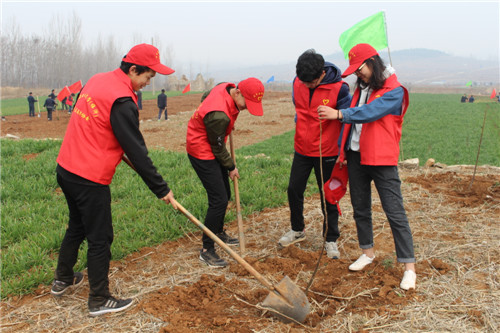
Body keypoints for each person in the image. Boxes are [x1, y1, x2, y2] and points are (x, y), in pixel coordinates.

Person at [52, 43, 178, 316]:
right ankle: (99, 299)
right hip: (89, 177)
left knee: (77, 226)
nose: (147, 82)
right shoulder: (123, 100)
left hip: (66, 167)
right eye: (147, 76)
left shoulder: (98, 79)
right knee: (100, 238)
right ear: (133, 69)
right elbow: (137, 151)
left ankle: (62, 278)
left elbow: (91, 119)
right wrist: (162, 189)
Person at [318, 43, 416, 290]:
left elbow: (370, 112)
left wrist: (339, 114)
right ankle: (367, 252)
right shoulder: (359, 88)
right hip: (355, 156)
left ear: (373, 62)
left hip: (381, 160)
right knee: (360, 208)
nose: (357, 74)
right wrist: (343, 151)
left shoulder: (394, 91)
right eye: (354, 71)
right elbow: (354, 120)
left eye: (359, 68)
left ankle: (409, 268)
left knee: (395, 212)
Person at [278, 49, 351, 259]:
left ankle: (330, 239)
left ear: (321, 74)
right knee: (294, 189)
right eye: (303, 81)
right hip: (302, 148)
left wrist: (337, 117)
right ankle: (297, 230)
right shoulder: (297, 82)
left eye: (311, 82)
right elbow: (299, 109)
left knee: (328, 195)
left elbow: (348, 118)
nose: (307, 85)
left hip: (327, 152)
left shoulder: (340, 89)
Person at [186, 77, 265, 267]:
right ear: (237, 93)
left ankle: (218, 231)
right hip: (201, 150)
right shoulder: (219, 115)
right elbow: (218, 148)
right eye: (247, 104)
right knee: (218, 200)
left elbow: (206, 96)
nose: (247, 108)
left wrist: (220, 128)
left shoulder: (225, 86)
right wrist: (231, 167)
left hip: (212, 144)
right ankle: (207, 250)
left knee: (226, 193)